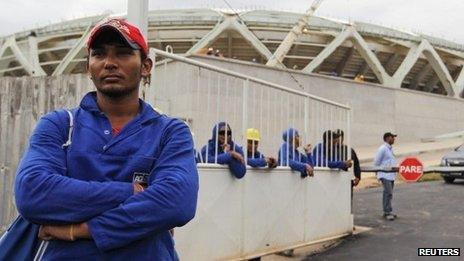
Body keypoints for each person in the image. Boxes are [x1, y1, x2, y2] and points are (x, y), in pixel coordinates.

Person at [14, 18, 199, 260]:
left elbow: (177, 202)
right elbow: (32, 193)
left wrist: (80, 230)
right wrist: (131, 193)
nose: (110, 63)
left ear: (146, 66)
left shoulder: (170, 132)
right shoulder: (59, 124)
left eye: (122, 54)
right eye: (99, 54)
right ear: (88, 67)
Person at [374, 132, 398, 221]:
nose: (394, 139)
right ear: (387, 138)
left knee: (388, 193)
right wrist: (377, 173)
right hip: (384, 174)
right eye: (393, 137)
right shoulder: (383, 149)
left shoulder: (390, 149)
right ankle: (387, 211)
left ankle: (387, 211)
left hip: (391, 175)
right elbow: (376, 162)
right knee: (388, 192)